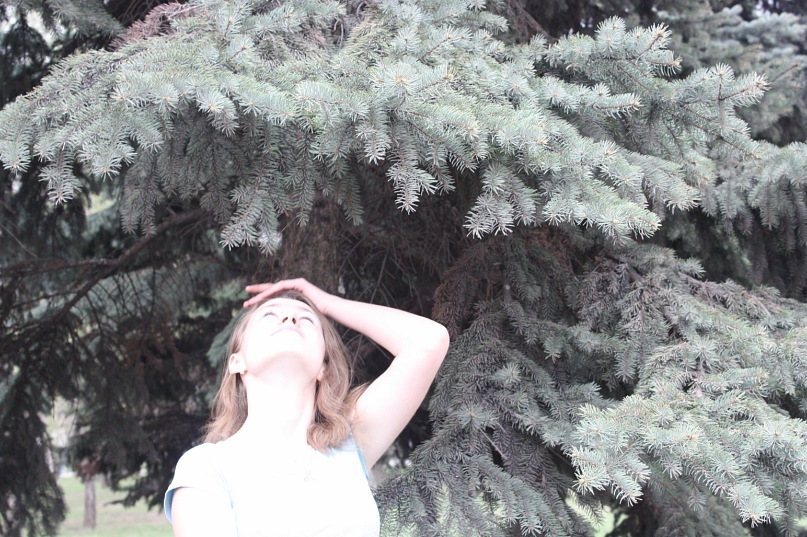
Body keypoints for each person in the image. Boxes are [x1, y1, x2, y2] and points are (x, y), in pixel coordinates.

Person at [164, 278, 450, 537]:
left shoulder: (350, 446)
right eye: (269, 315)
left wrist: (326, 303)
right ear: (237, 362)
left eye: (306, 319)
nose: (289, 318)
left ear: (324, 367)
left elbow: (429, 342)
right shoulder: (207, 467)